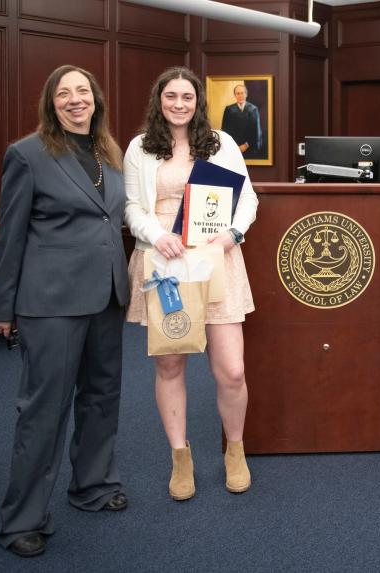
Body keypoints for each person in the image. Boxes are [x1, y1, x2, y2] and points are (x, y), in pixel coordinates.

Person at [0, 64, 130, 558]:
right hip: (50, 304)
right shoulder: (27, 155)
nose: (76, 100)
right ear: (51, 102)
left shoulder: (110, 153)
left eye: (83, 91)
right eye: (65, 93)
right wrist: (3, 305)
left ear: (96, 99)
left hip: (107, 298)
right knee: (43, 411)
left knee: (101, 396)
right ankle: (22, 520)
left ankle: (92, 486)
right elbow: (12, 235)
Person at [124, 66, 258, 501]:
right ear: (158, 100)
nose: (179, 104)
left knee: (232, 371)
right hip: (164, 260)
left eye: (187, 96)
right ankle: (181, 458)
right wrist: (155, 236)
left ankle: (234, 452)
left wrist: (233, 234)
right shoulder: (140, 147)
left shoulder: (219, 144)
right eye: (171, 96)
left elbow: (248, 197)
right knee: (170, 364)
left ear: (198, 101)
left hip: (215, 256)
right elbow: (130, 206)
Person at [221, 83, 263, 159]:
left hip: (249, 148)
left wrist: (246, 145)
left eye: (242, 93)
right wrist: (235, 146)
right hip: (233, 148)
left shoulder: (253, 109)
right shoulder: (229, 110)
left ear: (246, 94)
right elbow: (225, 130)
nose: (240, 95)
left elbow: (257, 131)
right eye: (238, 93)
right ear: (235, 95)